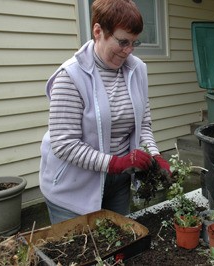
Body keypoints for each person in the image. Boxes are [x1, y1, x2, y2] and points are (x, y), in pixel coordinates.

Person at [39, 0, 171, 224]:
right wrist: (116, 163)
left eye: (133, 43)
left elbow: (143, 125)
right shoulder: (70, 77)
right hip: (73, 187)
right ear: (98, 31)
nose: (128, 50)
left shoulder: (137, 69)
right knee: (81, 252)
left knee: (119, 248)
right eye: (122, 42)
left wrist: (155, 155)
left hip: (118, 182)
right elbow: (64, 143)